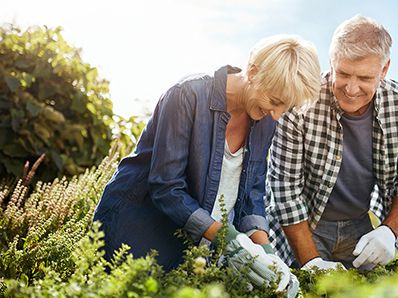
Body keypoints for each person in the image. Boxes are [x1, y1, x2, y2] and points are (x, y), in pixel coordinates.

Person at [93, 35, 321, 293]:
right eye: (275, 101)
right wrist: (231, 240)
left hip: (196, 248)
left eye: (286, 107)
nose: (277, 114)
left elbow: (252, 196)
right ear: (254, 72)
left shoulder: (266, 122)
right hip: (136, 233)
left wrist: (266, 254)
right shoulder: (186, 96)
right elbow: (167, 188)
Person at [266, 15, 398, 271]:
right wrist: (312, 262)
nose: (351, 89)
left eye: (364, 78)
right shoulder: (301, 103)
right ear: (331, 62)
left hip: (361, 225)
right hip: (305, 223)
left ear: (384, 70)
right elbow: (285, 190)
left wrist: (388, 231)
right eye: (342, 74)